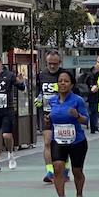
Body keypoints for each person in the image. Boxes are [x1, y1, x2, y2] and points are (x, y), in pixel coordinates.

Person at [46, 69, 90, 197]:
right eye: (60, 81)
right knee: (57, 168)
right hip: (58, 139)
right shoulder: (52, 100)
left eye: (66, 81)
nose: (62, 83)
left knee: (77, 171)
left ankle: (79, 196)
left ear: (71, 84)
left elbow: (86, 121)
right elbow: (49, 119)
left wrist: (77, 115)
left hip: (76, 141)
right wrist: (47, 119)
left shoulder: (77, 100)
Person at [34, 49, 68, 184]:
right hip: (47, 114)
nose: (52, 66)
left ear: (60, 62)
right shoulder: (41, 76)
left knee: (62, 144)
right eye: (49, 64)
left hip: (63, 115)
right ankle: (50, 171)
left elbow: (73, 93)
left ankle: (64, 170)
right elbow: (39, 91)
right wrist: (38, 98)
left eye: (55, 63)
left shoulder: (65, 75)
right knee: (47, 142)